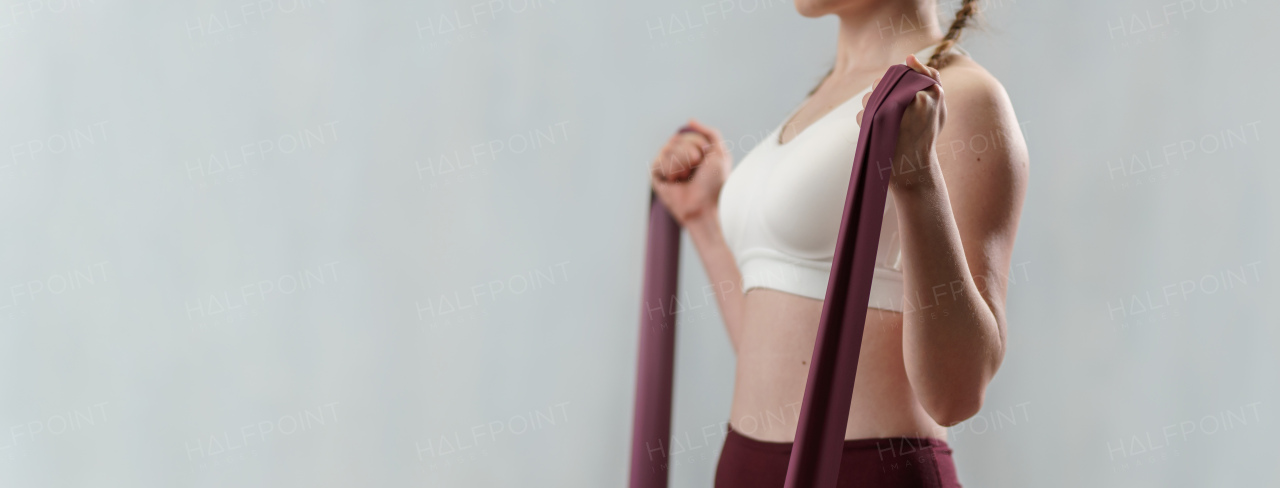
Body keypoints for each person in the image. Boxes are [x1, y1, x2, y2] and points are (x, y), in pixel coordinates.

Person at [648, 0, 1029, 486]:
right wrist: (703, 218)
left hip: (866, 471)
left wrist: (917, 183)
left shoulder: (965, 97)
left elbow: (957, 393)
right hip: (745, 465)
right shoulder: (823, 97)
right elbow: (794, 358)